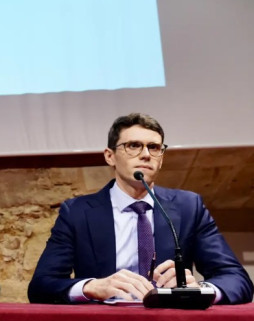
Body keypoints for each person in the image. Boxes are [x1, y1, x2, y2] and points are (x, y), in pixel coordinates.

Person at [28, 113, 253, 304]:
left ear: (161, 158)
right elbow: (41, 286)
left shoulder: (188, 206)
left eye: (154, 147)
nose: (146, 154)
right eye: (133, 145)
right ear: (110, 156)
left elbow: (237, 279)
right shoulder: (77, 212)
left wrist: (199, 289)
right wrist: (91, 286)